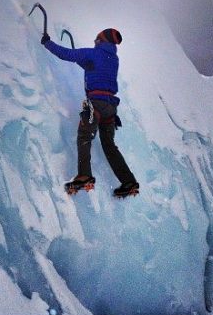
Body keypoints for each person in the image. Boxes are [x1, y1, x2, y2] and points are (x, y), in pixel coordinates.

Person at [41, 28, 139, 197]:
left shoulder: (93, 54)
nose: (94, 42)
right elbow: (93, 68)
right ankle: (128, 181)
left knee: (84, 137)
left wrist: (47, 43)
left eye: (96, 39)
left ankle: (85, 175)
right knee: (109, 146)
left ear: (101, 41)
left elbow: (65, 54)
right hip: (110, 108)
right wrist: (83, 61)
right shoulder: (113, 59)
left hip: (96, 104)